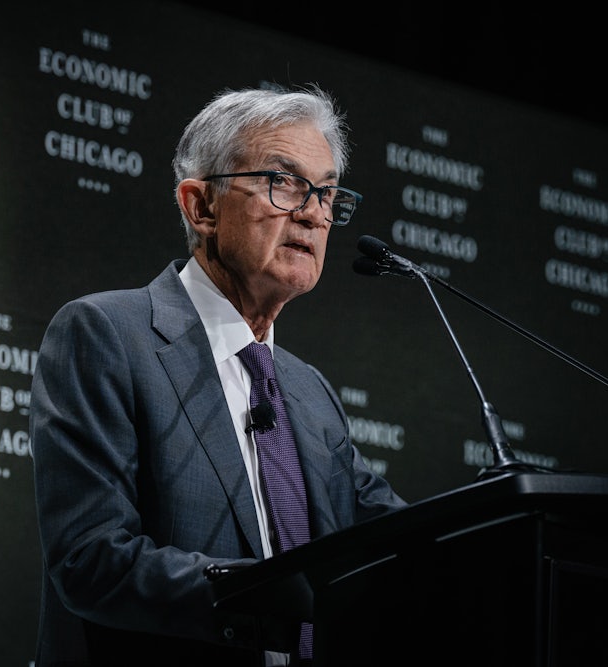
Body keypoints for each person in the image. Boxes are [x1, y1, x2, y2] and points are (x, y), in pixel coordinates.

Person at [29, 84, 408, 667]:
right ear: (200, 207)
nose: (313, 212)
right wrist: (262, 592)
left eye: (327, 193)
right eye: (284, 183)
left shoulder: (310, 395)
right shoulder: (106, 335)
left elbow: (398, 545)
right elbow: (92, 559)